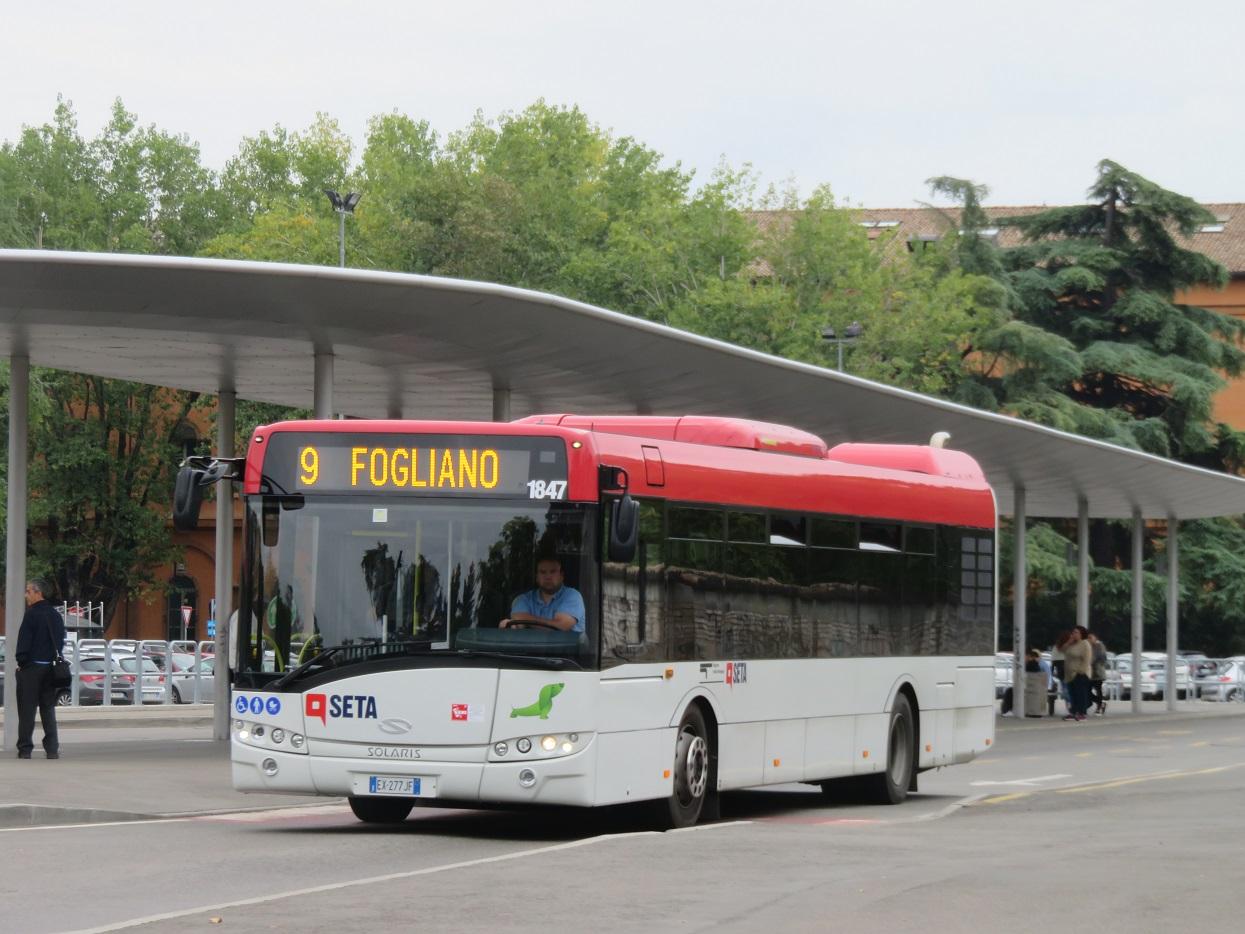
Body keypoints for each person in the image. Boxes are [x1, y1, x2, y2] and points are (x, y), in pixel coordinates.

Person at [14, 578, 66, 760]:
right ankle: (52, 748)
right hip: (51, 670)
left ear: (38, 593)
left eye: (28, 591)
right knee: (47, 709)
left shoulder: (31, 615)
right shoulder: (55, 615)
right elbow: (60, 641)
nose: (26, 595)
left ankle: (25, 748)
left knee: (27, 710)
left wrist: (21, 663)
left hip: (31, 669)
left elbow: (23, 644)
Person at [499, 557, 585, 633]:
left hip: (568, 651)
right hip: (532, 650)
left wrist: (525, 619)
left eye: (553, 572)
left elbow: (561, 627)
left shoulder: (572, 596)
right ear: (537, 577)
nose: (548, 577)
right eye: (543, 572)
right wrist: (510, 627)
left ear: (561, 576)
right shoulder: (524, 599)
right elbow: (518, 625)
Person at [1062, 625, 1093, 721]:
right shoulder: (1072, 644)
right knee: (1072, 694)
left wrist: (1081, 671)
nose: (1074, 634)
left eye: (1076, 632)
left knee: (1080, 694)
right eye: (1073, 632)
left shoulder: (1085, 644)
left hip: (1080, 673)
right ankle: (1073, 711)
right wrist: (1069, 642)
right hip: (1069, 674)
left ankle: (1082, 713)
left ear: (1081, 634)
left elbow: (1087, 659)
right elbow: (1063, 650)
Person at [1088, 631, 1109, 715]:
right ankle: (1100, 703)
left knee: (1098, 689)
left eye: (1091, 637)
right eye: (1088, 637)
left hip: (1098, 672)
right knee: (1086, 691)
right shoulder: (1088, 646)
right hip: (1089, 673)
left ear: (1095, 638)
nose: (1089, 639)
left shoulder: (1099, 646)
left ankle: (1099, 706)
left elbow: (1098, 657)